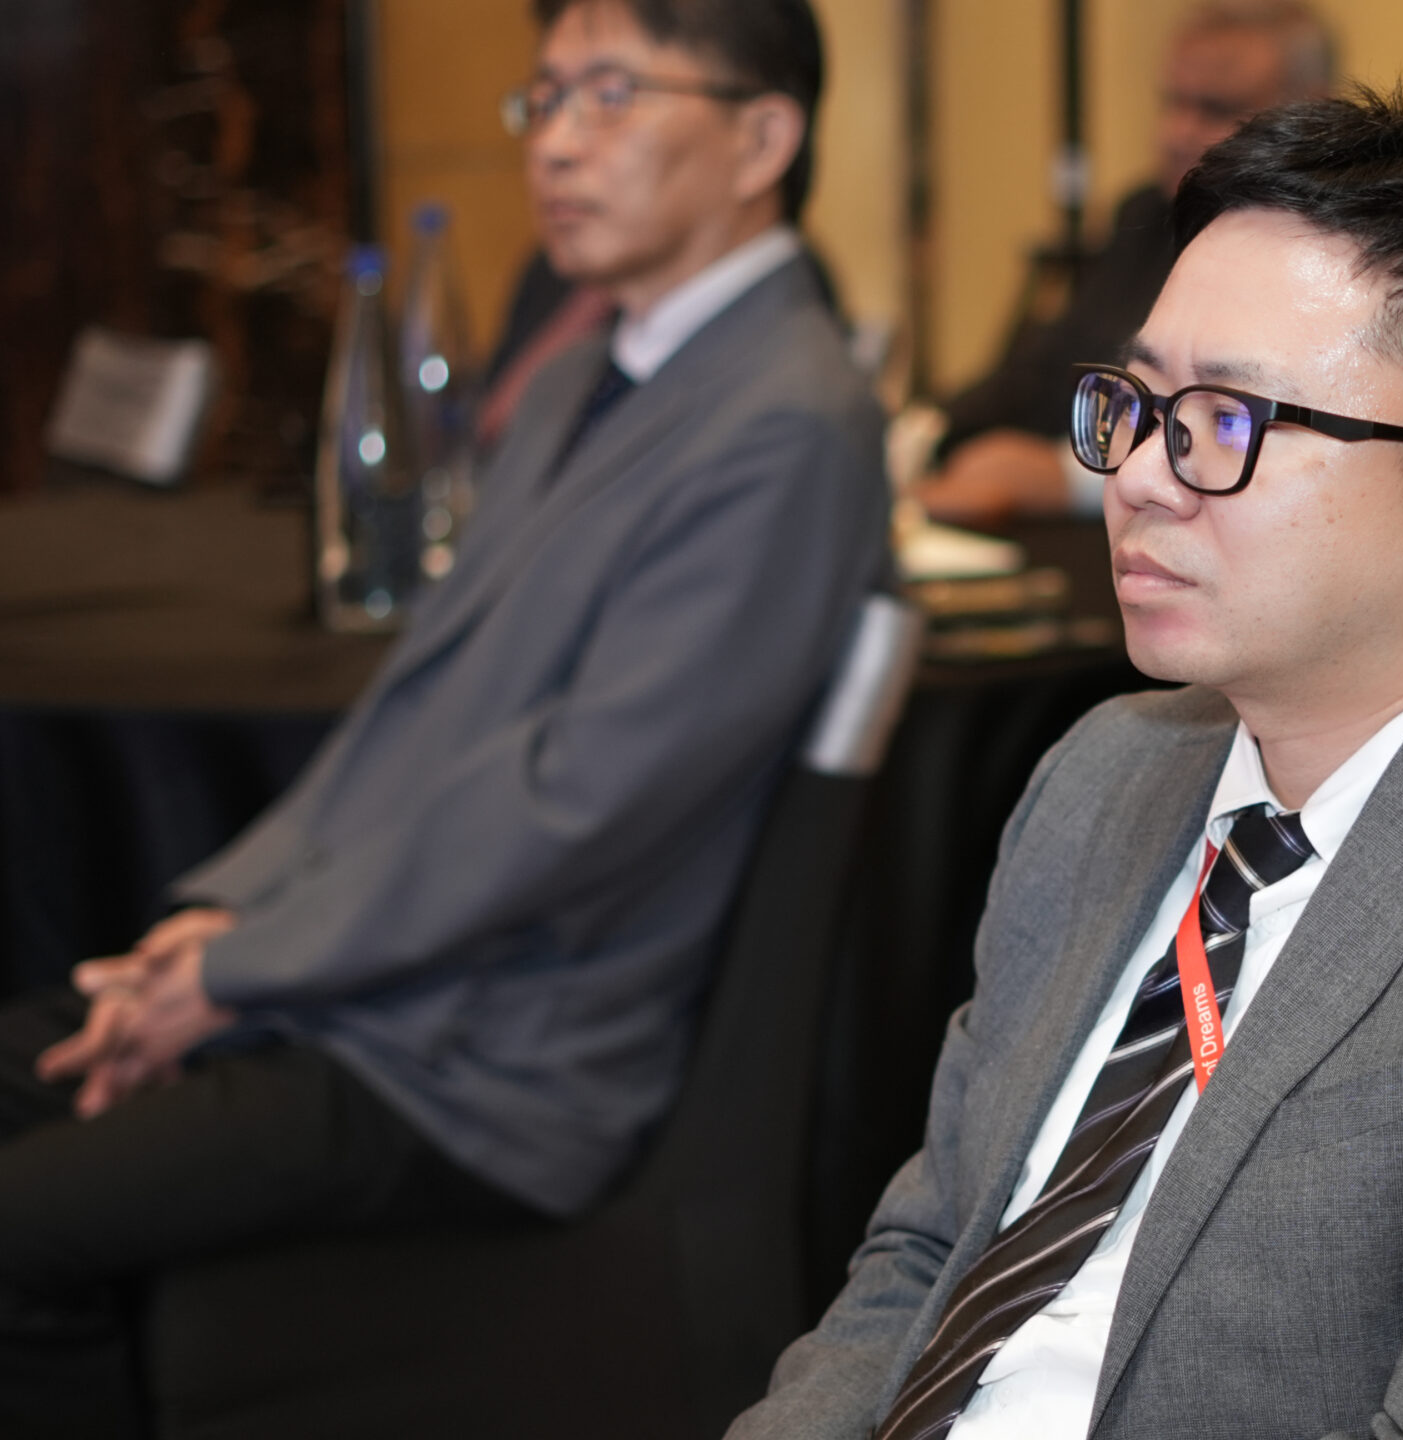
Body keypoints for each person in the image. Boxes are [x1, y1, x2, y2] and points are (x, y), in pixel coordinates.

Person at [729, 91, 1403, 1440]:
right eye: (1136, 404)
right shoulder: (1107, 773)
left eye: (1228, 419)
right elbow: (933, 1249)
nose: (1139, 476)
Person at [0, 0, 886, 1429]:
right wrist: (224, 925)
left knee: (21, 1236)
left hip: (492, 1058)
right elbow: (417, 715)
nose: (557, 144)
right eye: (546, 99)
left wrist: (241, 977)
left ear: (762, 137)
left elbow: (571, 800)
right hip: (387, 990)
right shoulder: (591, 367)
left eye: (612, 94)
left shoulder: (786, 419)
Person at [916, 0, 1335, 526]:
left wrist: (1064, 476)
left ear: (1309, 114)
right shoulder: (1145, 216)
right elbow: (1042, 373)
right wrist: (922, 434)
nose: (1176, 132)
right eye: (1171, 102)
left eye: (1214, 109)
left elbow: (1270, 447)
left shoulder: (1320, 262)